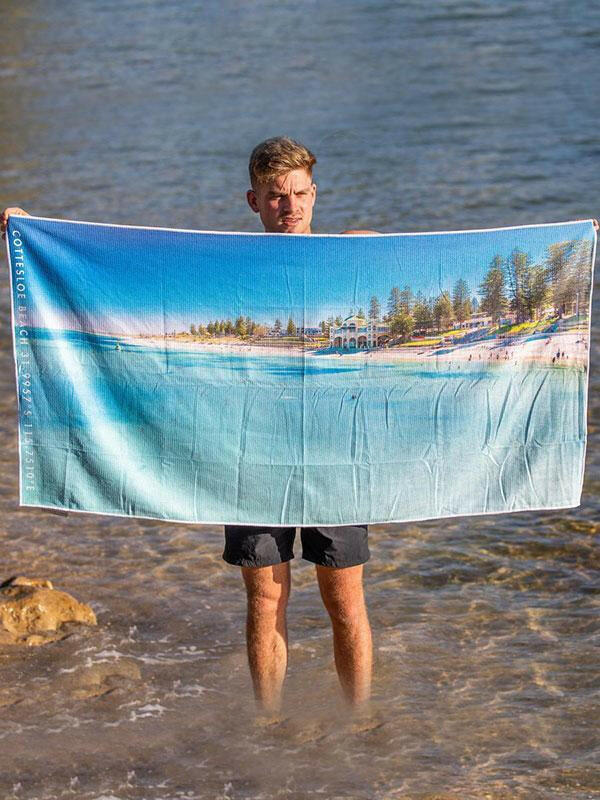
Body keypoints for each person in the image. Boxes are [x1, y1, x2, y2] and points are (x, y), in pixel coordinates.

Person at [1, 136, 378, 720]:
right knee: (266, 598)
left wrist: (384, 244)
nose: (290, 207)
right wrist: (34, 234)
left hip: (333, 454)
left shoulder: (344, 253)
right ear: (253, 201)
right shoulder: (224, 265)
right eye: (276, 196)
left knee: (345, 599)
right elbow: (131, 267)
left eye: (301, 194)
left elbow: (417, 259)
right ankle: (269, 727)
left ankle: (362, 725)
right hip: (248, 452)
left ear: (315, 193)